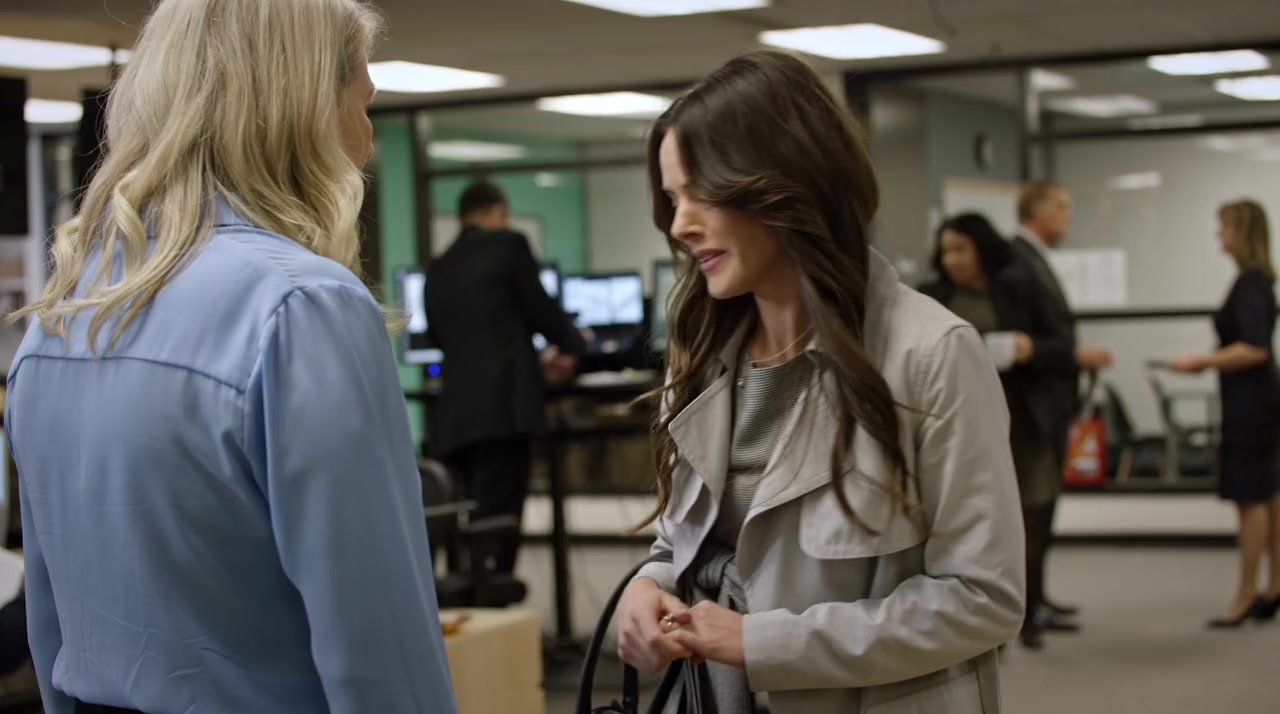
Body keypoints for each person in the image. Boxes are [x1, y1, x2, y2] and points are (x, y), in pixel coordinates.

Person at [5, 1, 457, 712]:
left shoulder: (60, 320)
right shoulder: (303, 306)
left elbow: (54, 625)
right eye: (362, 105)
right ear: (302, 110)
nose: (368, 144)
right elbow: (378, 645)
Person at [613, 51, 1024, 713]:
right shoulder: (701, 352)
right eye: (671, 199)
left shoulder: (931, 353)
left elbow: (983, 599)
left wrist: (764, 642)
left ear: (784, 183)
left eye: (703, 192)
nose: (681, 224)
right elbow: (685, 540)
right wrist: (648, 584)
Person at [919, 213, 1077, 650]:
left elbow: (1062, 346)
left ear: (982, 249)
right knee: (976, 520)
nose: (952, 260)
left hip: (1024, 420)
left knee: (1032, 515)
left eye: (961, 249)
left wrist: (1029, 348)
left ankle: (1031, 608)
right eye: (946, 251)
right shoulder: (933, 297)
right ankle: (986, 614)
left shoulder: (1019, 288)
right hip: (963, 424)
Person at [426, 180, 584, 578]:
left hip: (456, 416)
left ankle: (472, 591)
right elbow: (540, 309)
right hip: (504, 410)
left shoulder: (438, 267)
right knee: (501, 518)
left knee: (470, 518)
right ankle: (497, 594)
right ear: (498, 213)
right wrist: (576, 347)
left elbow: (440, 338)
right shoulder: (510, 245)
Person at [1169, 199, 1280, 628]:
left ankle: (1246, 594)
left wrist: (1203, 361)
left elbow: (1254, 348)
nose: (1219, 235)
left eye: (1225, 227)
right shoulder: (1258, 280)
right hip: (1260, 399)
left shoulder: (1250, 283)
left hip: (1250, 403)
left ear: (1242, 232)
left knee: (1251, 497)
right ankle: (1273, 586)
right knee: (1269, 494)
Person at [1009, 179, 1111, 631]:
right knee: (1034, 507)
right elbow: (1025, 341)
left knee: (1046, 506)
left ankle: (1039, 597)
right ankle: (1028, 608)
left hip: (1050, 403)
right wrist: (1074, 355)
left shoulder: (1036, 258)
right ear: (1036, 210)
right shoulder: (1018, 261)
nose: (1069, 215)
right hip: (1032, 408)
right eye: (1062, 206)